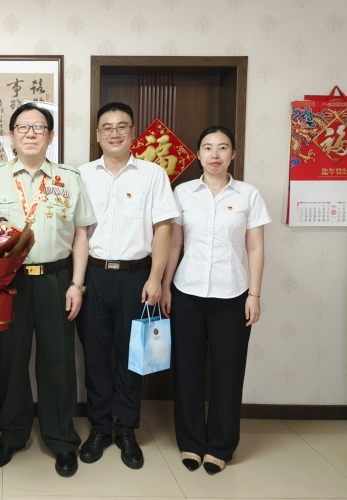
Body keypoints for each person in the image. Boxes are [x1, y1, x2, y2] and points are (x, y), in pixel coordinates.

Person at [0, 102, 97, 478]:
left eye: (39, 127)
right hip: (7, 282)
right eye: (23, 127)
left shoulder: (68, 178)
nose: (30, 133)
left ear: (51, 135)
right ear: (11, 136)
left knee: (58, 361)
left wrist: (77, 284)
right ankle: (13, 434)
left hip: (56, 279)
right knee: (11, 360)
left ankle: (61, 438)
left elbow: (81, 234)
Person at [160, 125, 271, 475]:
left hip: (232, 295)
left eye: (223, 148)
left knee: (228, 373)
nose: (215, 154)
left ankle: (220, 446)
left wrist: (254, 294)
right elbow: (175, 243)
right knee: (187, 371)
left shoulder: (249, 194)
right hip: (187, 292)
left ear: (233, 154)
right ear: (198, 154)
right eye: (207, 147)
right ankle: (191, 442)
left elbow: (255, 247)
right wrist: (165, 286)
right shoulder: (182, 193)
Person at [76, 102, 179, 469]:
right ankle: (101, 427)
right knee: (96, 356)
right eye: (107, 127)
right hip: (94, 276)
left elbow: (163, 228)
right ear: (97, 134)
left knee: (134, 357)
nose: (114, 133)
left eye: (122, 126)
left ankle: (127, 430)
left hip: (138, 277)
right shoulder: (82, 175)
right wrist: (77, 282)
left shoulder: (153, 174)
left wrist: (155, 278)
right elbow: (79, 232)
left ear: (133, 132)